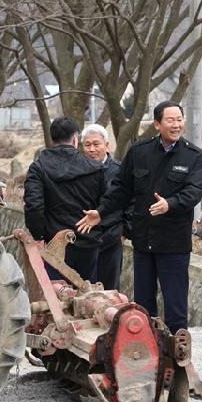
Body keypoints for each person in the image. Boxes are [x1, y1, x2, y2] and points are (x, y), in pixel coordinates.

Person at [77, 101, 202, 334]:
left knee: (175, 304)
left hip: (174, 243)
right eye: (170, 120)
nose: (176, 125)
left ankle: (178, 352)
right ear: (157, 124)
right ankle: (145, 348)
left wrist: (171, 204)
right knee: (144, 305)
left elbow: (194, 192)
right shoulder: (139, 152)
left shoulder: (195, 156)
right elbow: (120, 190)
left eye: (179, 119)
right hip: (144, 241)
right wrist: (101, 212)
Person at [25, 117, 106, 282]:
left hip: (52, 244)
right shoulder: (96, 169)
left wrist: (38, 236)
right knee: (86, 296)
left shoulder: (38, 168)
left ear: (52, 139)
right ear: (75, 139)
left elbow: (34, 206)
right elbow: (106, 205)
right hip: (88, 243)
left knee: (54, 297)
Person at [80, 123, 125, 290]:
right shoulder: (77, 171)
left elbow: (130, 202)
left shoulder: (120, 172)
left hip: (111, 239)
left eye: (96, 144)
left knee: (109, 289)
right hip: (84, 240)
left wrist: (124, 231)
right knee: (83, 290)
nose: (92, 149)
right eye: (87, 145)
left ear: (107, 145)